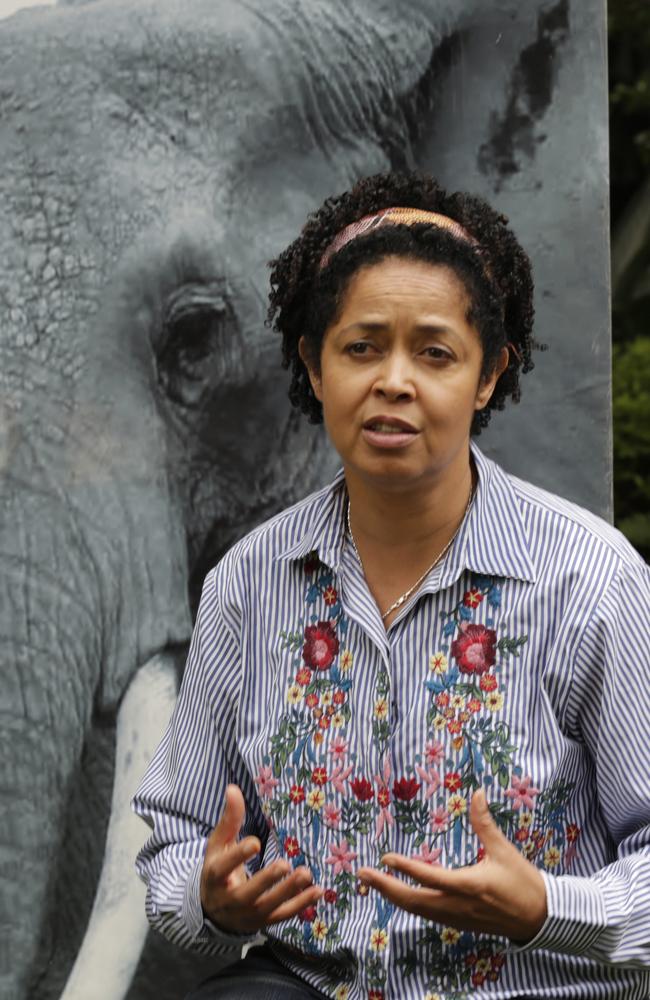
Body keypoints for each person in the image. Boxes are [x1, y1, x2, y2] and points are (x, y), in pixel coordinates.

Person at [132, 172, 650, 1000]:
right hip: (312, 982)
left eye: (435, 351)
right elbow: (177, 839)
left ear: (488, 375)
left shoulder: (592, 580)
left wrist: (546, 907)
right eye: (362, 346)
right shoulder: (247, 586)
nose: (394, 381)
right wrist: (213, 898)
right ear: (314, 364)